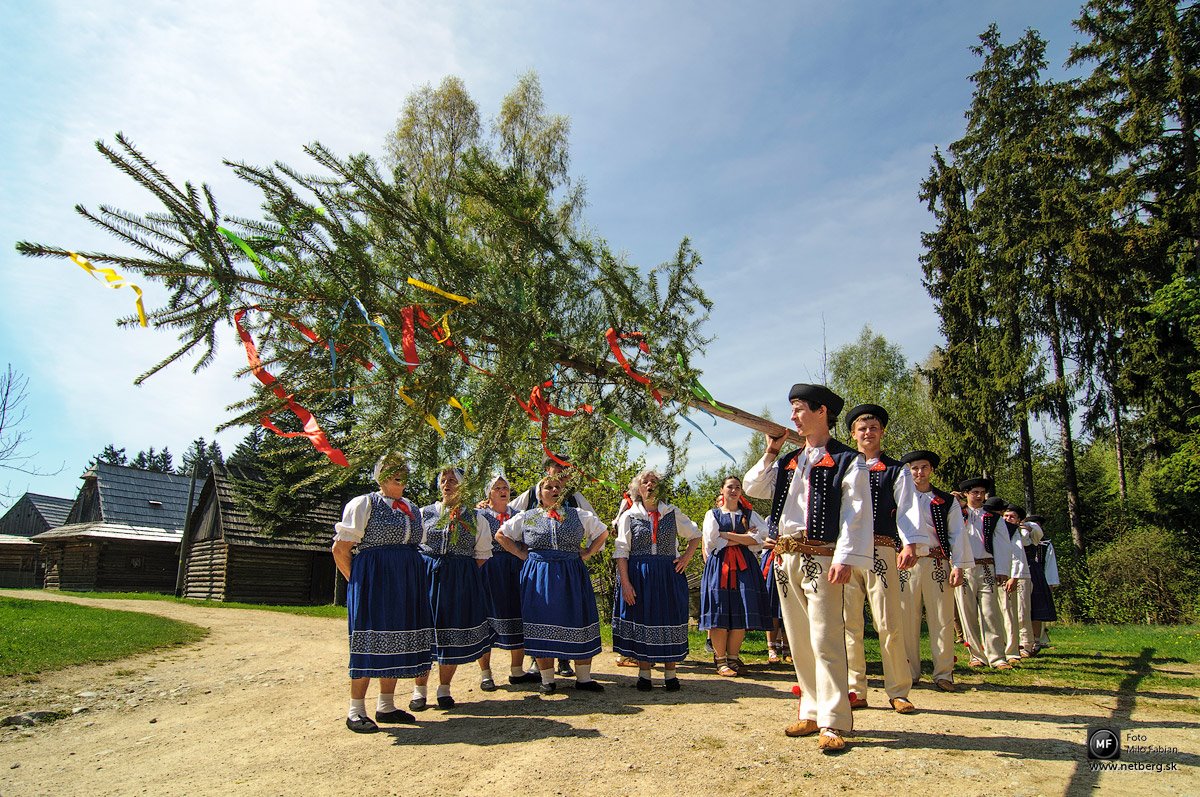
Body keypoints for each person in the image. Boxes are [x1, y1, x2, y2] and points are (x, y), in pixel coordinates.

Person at [743, 383, 873, 753]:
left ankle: (835, 720)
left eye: (799, 409)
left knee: (826, 637)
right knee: (799, 638)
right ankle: (812, 710)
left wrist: (846, 557)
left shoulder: (849, 460)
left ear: (821, 412)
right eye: (792, 409)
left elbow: (856, 513)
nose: (792, 416)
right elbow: (754, 486)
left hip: (823, 556)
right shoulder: (789, 461)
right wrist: (771, 449)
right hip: (786, 556)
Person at [332, 453, 433, 733]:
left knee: (398, 640)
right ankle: (355, 711)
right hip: (374, 582)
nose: (398, 473)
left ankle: (386, 705)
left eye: (402, 469)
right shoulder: (364, 503)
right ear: (378, 475)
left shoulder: (412, 508)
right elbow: (340, 550)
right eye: (391, 470)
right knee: (369, 641)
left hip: (406, 583)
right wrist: (360, 584)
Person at [840, 404, 924, 714]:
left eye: (873, 428)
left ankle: (898, 690)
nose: (867, 433)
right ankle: (854, 688)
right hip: (847, 553)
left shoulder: (895, 469)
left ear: (881, 432)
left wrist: (911, 543)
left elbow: (908, 507)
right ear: (853, 433)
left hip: (882, 549)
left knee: (889, 621)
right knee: (849, 623)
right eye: (862, 429)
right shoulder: (843, 465)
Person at [496, 476, 609, 694]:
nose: (555, 489)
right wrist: (520, 553)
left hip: (571, 573)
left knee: (577, 618)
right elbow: (501, 535)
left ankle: (584, 678)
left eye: (558, 487)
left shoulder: (578, 515)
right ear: (539, 493)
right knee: (541, 620)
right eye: (549, 487)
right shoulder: (527, 517)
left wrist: (588, 552)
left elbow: (602, 532)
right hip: (540, 575)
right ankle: (547, 680)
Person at [412, 468, 495, 710]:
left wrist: (460, 570)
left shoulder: (476, 517)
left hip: (460, 577)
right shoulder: (424, 513)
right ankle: (419, 690)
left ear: (463, 486)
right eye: (443, 480)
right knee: (424, 631)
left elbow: (481, 554)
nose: (447, 484)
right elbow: (415, 544)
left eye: (453, 480)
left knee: (452, 630)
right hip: (428, 574)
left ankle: (444, 688)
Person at [612, 470, 702, 690]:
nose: (650, 485)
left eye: (654, 482)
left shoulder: (672, 513)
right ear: (638, 489)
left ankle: (670, 675)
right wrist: (625, 583)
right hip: (639, 574)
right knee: (643, 618)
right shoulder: (629, 516)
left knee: (668, 618)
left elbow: (695, 534)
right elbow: (622, 551)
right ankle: (645, 675)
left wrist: (686, 558)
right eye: (645, 482)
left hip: (667, 574)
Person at [510, 454, 596, 677]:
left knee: (567, 609)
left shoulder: (575, 499)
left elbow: (595, 523)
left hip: (567, 566)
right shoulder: (533, 492)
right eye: (557, 468)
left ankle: (565, 660)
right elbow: (507, 513)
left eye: (565, 469)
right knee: (542, 609)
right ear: (547, 470)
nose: (561, 473)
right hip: (539, 564)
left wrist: (586, 551)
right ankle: (537, 662)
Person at [898, 450, 973, 692]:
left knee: (942, 618)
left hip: (937, 562)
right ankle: (910, 671)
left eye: (923, 467)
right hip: (906, 563)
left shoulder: (944, 500)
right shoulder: (900, 497)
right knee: (905, 618)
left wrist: (959, 566)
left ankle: (943, 673)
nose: (919, 472)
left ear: (931, 470)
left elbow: (957, 534)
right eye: (914, 468)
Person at [699, 475, 771, 677]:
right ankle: (720, 660)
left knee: (740, 609)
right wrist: (745, 538)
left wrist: (728, 535)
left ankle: (733, 657)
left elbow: (761, 537)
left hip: (744, 566)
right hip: (720, 565)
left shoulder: (749, 513)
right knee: (719, 610)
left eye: (737, 487)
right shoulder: (712, 514)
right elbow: (712, 541)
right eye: (730, 487)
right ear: (722, 490)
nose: (734, 490)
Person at [477, 474, 541, 687]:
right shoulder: (479, 514)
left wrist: (522, 552)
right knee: (486, 618)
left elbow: (534, 535)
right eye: (497, 488)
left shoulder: (520, 515)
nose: (503, 491)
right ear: (489, 492)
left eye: (505, 487)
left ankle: (517, 670)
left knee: (518, 616)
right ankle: (486, 674)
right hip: (489, 568)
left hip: (515, 568)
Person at [954, 479, 1011, 670]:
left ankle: (997, 657)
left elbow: (1003, 544)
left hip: (986, 566)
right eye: (975, 492)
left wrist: (1003, 570)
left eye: (981, 492)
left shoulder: (993, 518)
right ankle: (976, 655)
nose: (979, 496)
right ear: (966, 494)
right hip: (963, 568)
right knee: (967, 612)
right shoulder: (956, 514)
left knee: (990, 612)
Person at [998, 502, 1032, 665]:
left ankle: (1025, 644)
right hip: (1003, 575)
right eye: (1006, 516)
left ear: (1019, 520)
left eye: (1012, 517)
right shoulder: (1000, 530)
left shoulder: (1021, 532)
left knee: (1021, 611)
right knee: (1006, 612)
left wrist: (1014, 576)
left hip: (1020, 576)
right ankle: (1007, 643)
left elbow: (1018, 553)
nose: (1008, 519)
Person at [1024, 514, 1058, 651]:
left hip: (1039, 578)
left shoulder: (1045, 544)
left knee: (1037, 610)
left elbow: (1050, 564)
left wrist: (1050, 582)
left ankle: (1039, 638)